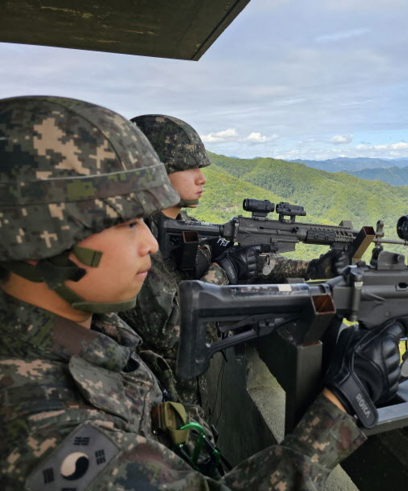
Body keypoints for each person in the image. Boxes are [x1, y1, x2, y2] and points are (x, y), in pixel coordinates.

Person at [0, 95, 408, 490]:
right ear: (40, 239)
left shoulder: (90, 330)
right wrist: (341, 402)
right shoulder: (45, 425)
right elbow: (172, 328)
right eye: (127, 224)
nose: (151, 243)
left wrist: (312, 271)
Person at [120, 114, 345, 405]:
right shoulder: (136, 243)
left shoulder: (186, 226)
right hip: (161, 402)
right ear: (154, 172)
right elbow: (173, 334)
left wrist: (313, 267)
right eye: (189, 168)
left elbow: (246, 261)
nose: (202, 178)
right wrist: (225, 271)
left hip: (186, 400)